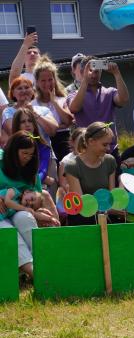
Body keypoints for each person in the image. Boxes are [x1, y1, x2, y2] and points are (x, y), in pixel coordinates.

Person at [0, 132, 44, 279]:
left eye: (31, 154)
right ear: (13, 151)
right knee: (6, 230)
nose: (28, 157)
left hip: (18, 211)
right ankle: (34, 272)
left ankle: (43, 264)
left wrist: (40, 211)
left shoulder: (31, 172)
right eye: (24, 153)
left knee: (25, 218)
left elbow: (36, 198)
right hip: (2, 215)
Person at [67, 56, 129, 155]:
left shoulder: (109, 92)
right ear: (82, 73)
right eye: (90, 71)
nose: (93, 75)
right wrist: (85, 81)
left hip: (110, 148)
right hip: (86, 149)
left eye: (97, 71)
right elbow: (74, 108)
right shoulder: (74, 94)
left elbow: (123, 100)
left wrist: (117, 73)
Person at [63, 122, 117, 225]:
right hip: (83, 219)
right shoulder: (72, 166)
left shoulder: (110, 161)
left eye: (109, 144)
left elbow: (111, 196)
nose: (109, 148)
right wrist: (109, 210)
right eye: (105, 144)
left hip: (105, 214)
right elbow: (82, 205)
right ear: (91, 141)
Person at [33, 61, 74, 160]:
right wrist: (59, 126)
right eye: (43, 80)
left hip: (64, 143)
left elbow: (68, 121)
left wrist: (54, 102)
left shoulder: (62, 99)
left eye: (50, 79)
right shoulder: (33, 104)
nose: (47, 83)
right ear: (37, 82)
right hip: (43, 143)